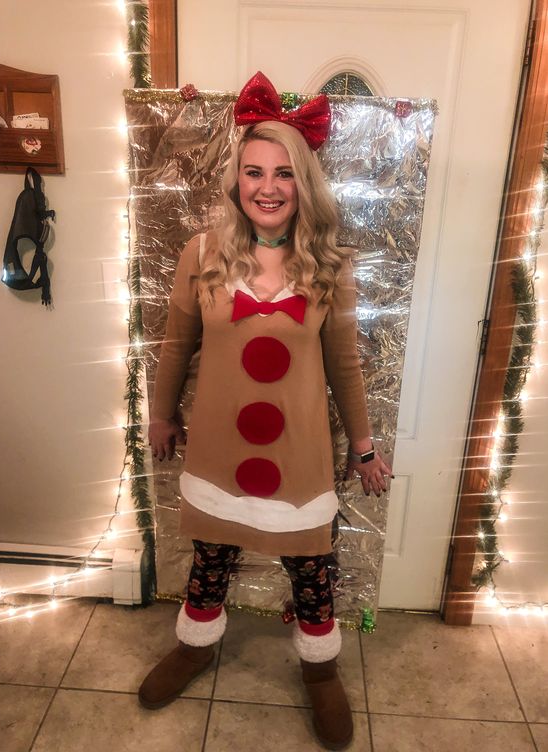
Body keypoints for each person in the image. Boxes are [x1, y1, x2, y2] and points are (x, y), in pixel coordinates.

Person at [138, 72, 392, 750]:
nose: (268, 186)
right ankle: (196, 645)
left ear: (302, 183)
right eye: (254, 172)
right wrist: (160, 417)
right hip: (220, 449)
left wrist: (363, 446)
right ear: (236, 181)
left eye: (283, 173)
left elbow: (345, 366)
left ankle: (320, 672)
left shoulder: (331, 267)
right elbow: (175, 346)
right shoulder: (202, 254)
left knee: (312, 571)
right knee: (211, 557)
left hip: (298, 455)